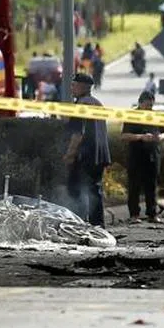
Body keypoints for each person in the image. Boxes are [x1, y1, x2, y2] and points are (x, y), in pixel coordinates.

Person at [62, 72, 111, 226]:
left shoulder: (81, 105)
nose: (71, 88)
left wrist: (69, 155)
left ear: (82, 87)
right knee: (94, 190)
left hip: (86, 155)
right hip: (101, 155)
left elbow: (78, 134)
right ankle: (98, 225)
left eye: (73, 85)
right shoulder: (98, 103)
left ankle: (79, 224)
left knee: (75, 189)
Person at [119, 91, 164, 223]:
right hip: (136, 155)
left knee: (152, 185)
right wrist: (140, 137)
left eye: (151, 105)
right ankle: (134, 214)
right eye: (147, 104)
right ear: (140, 102)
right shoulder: (132, 116)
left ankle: (152, 213)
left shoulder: (155, 116)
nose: (149, 107)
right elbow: (123, 136)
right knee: (134, 185)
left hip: (153, 155)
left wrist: (158, 138)